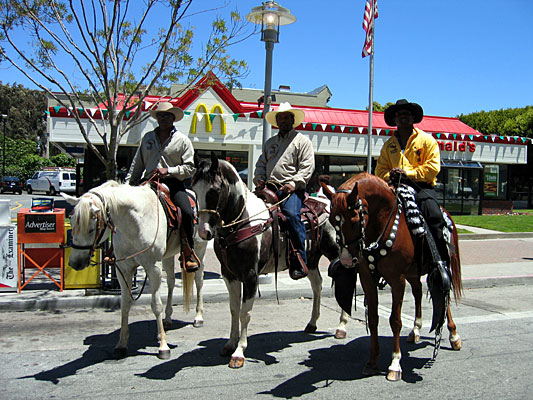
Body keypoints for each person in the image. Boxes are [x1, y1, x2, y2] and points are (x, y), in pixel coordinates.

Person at [125, 101, 198, 272]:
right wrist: (128, 185)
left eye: (166, 115)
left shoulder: (182, 140)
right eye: (160, 115)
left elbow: (190, 168)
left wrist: (169, 170)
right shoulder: (147, 138)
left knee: (186, 212)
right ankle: (119, 249)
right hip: (147, 183)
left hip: (172, 183)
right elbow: (137, 164)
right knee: (124, 209)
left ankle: (187, 251)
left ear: (173, 118)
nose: (163, 118)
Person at [375, 99, 449, 266]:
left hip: (422, 187)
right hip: (394, 187)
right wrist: (391, 175)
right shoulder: (388, 145)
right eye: (399, 114)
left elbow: (433, 168)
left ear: (413, 118)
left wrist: (407, 174)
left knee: (434, 216)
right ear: (394, 120)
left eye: (407, 114)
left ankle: (441, 263)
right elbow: (380, 171)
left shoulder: (427, 140)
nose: (403, 117)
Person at [253, 102, 315, 280]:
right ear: (277, 121)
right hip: (269, 187)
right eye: (280, 118)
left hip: (291, 190)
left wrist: (294, 183)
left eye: (287, 117)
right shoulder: (270, 143)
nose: (283, 121)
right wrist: (259, 177)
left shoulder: (302, 141)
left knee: (292, 215)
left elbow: (307, 167)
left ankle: (299, 260)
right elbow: (261, 163)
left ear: (292, 120)